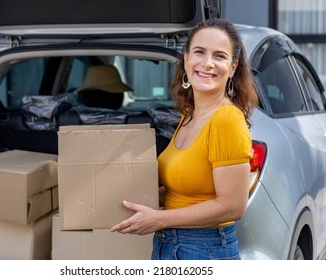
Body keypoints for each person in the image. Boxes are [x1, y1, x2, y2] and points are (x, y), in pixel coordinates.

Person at [110, 18, 259, 260]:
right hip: (170, 244)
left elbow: (233, 205)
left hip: (203, 249)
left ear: (232, 68)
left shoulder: (226, 119)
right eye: (199, 52)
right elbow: (184, 188)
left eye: (220, 56)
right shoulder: (190, 115)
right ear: (186, 58)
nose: (208, 63)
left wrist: (157, 219)